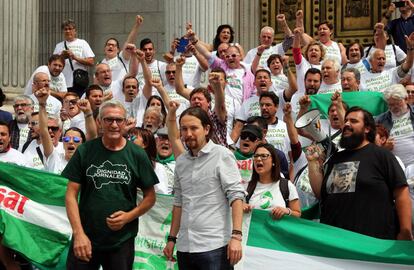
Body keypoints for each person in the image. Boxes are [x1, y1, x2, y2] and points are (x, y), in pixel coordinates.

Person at [63, 100, 158, 269]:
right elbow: (70, 194)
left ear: (125, 122)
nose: (114, 124)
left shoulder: (137, 154)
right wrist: (78, 234)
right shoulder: (85, 151)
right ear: (99, 122)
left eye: (119, 120)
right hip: (86, 237)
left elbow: (150, 197)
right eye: (108, 120)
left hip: (121, 241)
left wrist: (129, 216)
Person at [307, 106, 412, 240]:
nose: (346, 124)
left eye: (353, 121)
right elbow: (321, 194)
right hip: (335, 240)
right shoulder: (336, 158)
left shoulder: (382, 155)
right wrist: (313, 163)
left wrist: (405, 231)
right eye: (345, 121)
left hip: (373, 240)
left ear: (367, 129)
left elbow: (401, 193)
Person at [163, 107, 245, 269]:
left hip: (214, 247)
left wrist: (236, 236)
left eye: (194, 128)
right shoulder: (181, 162)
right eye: (184, 129)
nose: (188, 134)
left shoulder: (222, 155)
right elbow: (179, 203)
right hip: (185, 247)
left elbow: (236, 197)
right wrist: (172, 239)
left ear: (206, 129)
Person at [243, 143, 301, 218]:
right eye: (256, 156)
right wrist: (242, 206)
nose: (258, 159)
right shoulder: (247, 186)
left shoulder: (287, 186)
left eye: (264, 156)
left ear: (273, 161)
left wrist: (287, 211)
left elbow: (297, 214)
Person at [360, 23, 414, 92]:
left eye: (383, 59)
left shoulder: (392, 73)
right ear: (370, 61)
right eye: (379, 59)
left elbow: (408, 64)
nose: (382, 61)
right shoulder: (363, 76)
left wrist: (410, 48)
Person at [376, 84, 414, 167]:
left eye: (397, 103)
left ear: (406, 99)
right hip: (392, 167)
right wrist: (383, 147)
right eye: (390, 105)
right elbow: (370, 146)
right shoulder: (379, 120)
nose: (394, 107)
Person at [53, 19, 95, 90]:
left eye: (70, 29)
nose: (68, 31)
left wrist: (74, 57)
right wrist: (62, 57)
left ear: (75, 31)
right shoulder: (59, 46)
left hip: (79, 81)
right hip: (63, 82)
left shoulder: (82, 43)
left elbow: (91, 62)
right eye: (65, 29)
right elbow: (52, 64)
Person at [129, 127, 170, 194]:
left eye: (133, 137)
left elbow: (161, 195)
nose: (128, 140)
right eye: (127, 137)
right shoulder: (121, 161)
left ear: (145, 144)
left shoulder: (158, 167)